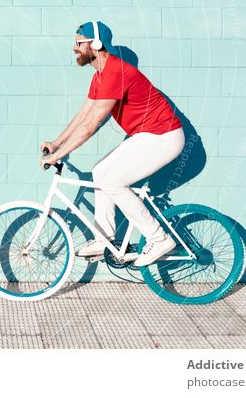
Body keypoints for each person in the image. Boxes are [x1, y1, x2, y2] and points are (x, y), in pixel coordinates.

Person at [39, 21, 185, 266]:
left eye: (79, 43)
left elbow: (91, 125)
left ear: (95, 45)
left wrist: (57, 155)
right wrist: (56, 143)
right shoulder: (100, 76)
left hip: (164, 136)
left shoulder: (117, 72)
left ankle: (158, 238)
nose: (74, 48)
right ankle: (105, 238)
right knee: (100, 172)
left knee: (113, 181)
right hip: (145, 135)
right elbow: (84, 114)